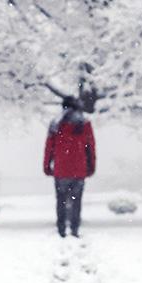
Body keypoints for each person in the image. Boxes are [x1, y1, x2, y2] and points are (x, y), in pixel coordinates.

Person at [43, 96, 97, 238]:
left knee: (61, 200)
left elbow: (49, 147)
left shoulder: (55, 124)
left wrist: (47, 165)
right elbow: (90, 146)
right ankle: (74, 228)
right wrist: (91, 166)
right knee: (76, 200)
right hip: (79, 169)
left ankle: (61, 228)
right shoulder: (84, 123)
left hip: (61, 169)